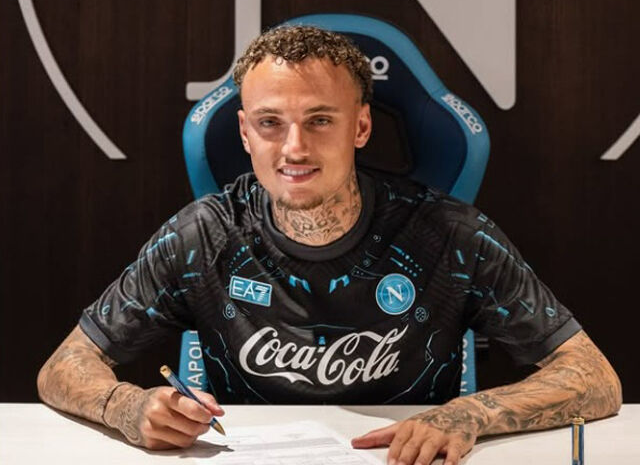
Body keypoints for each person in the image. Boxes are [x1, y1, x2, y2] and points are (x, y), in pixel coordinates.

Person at [37, 25, 622, 465]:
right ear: (244, 132)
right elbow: (63, 367)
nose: (294, 147)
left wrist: (469, 414)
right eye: (270, 123)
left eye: (320, 120)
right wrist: (127, 407)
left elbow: (595, 379)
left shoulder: (451, 234)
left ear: (360, 127)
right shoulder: (200, 236)